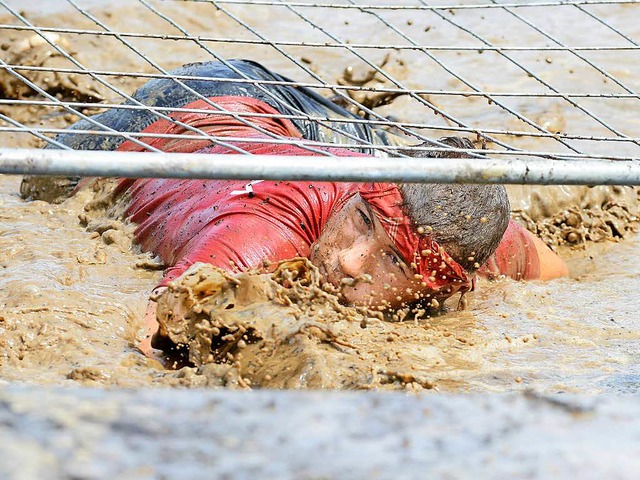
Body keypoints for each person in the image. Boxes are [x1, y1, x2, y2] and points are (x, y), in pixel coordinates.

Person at [27, 59, 567, 355]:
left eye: (394, 263)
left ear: (443, 284)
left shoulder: (459, 237)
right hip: (182, 112)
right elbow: (158, 325)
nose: (353, 261)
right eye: (361, 222)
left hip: (288, 126)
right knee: (34, 181)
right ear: (360, 192)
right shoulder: (264, 231)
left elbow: (555, 272)